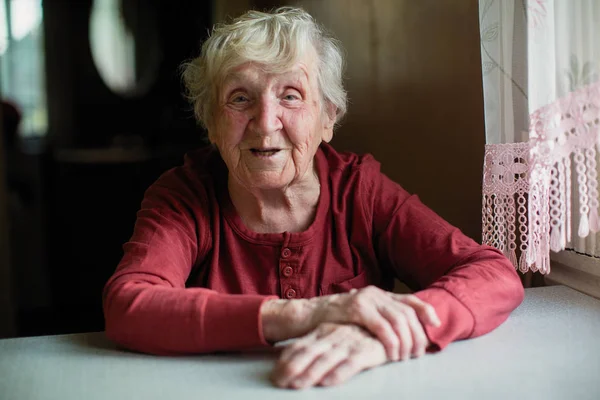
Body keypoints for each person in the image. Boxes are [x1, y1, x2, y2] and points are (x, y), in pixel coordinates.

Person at [103, 7, 524, 389]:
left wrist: (380, 333)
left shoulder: (360, 190)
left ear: (328, 118)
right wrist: (306, 314)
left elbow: (492, 275)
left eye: (290, 95)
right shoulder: (184, 196)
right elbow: (129, 304)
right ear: (211, 124)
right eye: (240, 99)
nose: (266, 123)